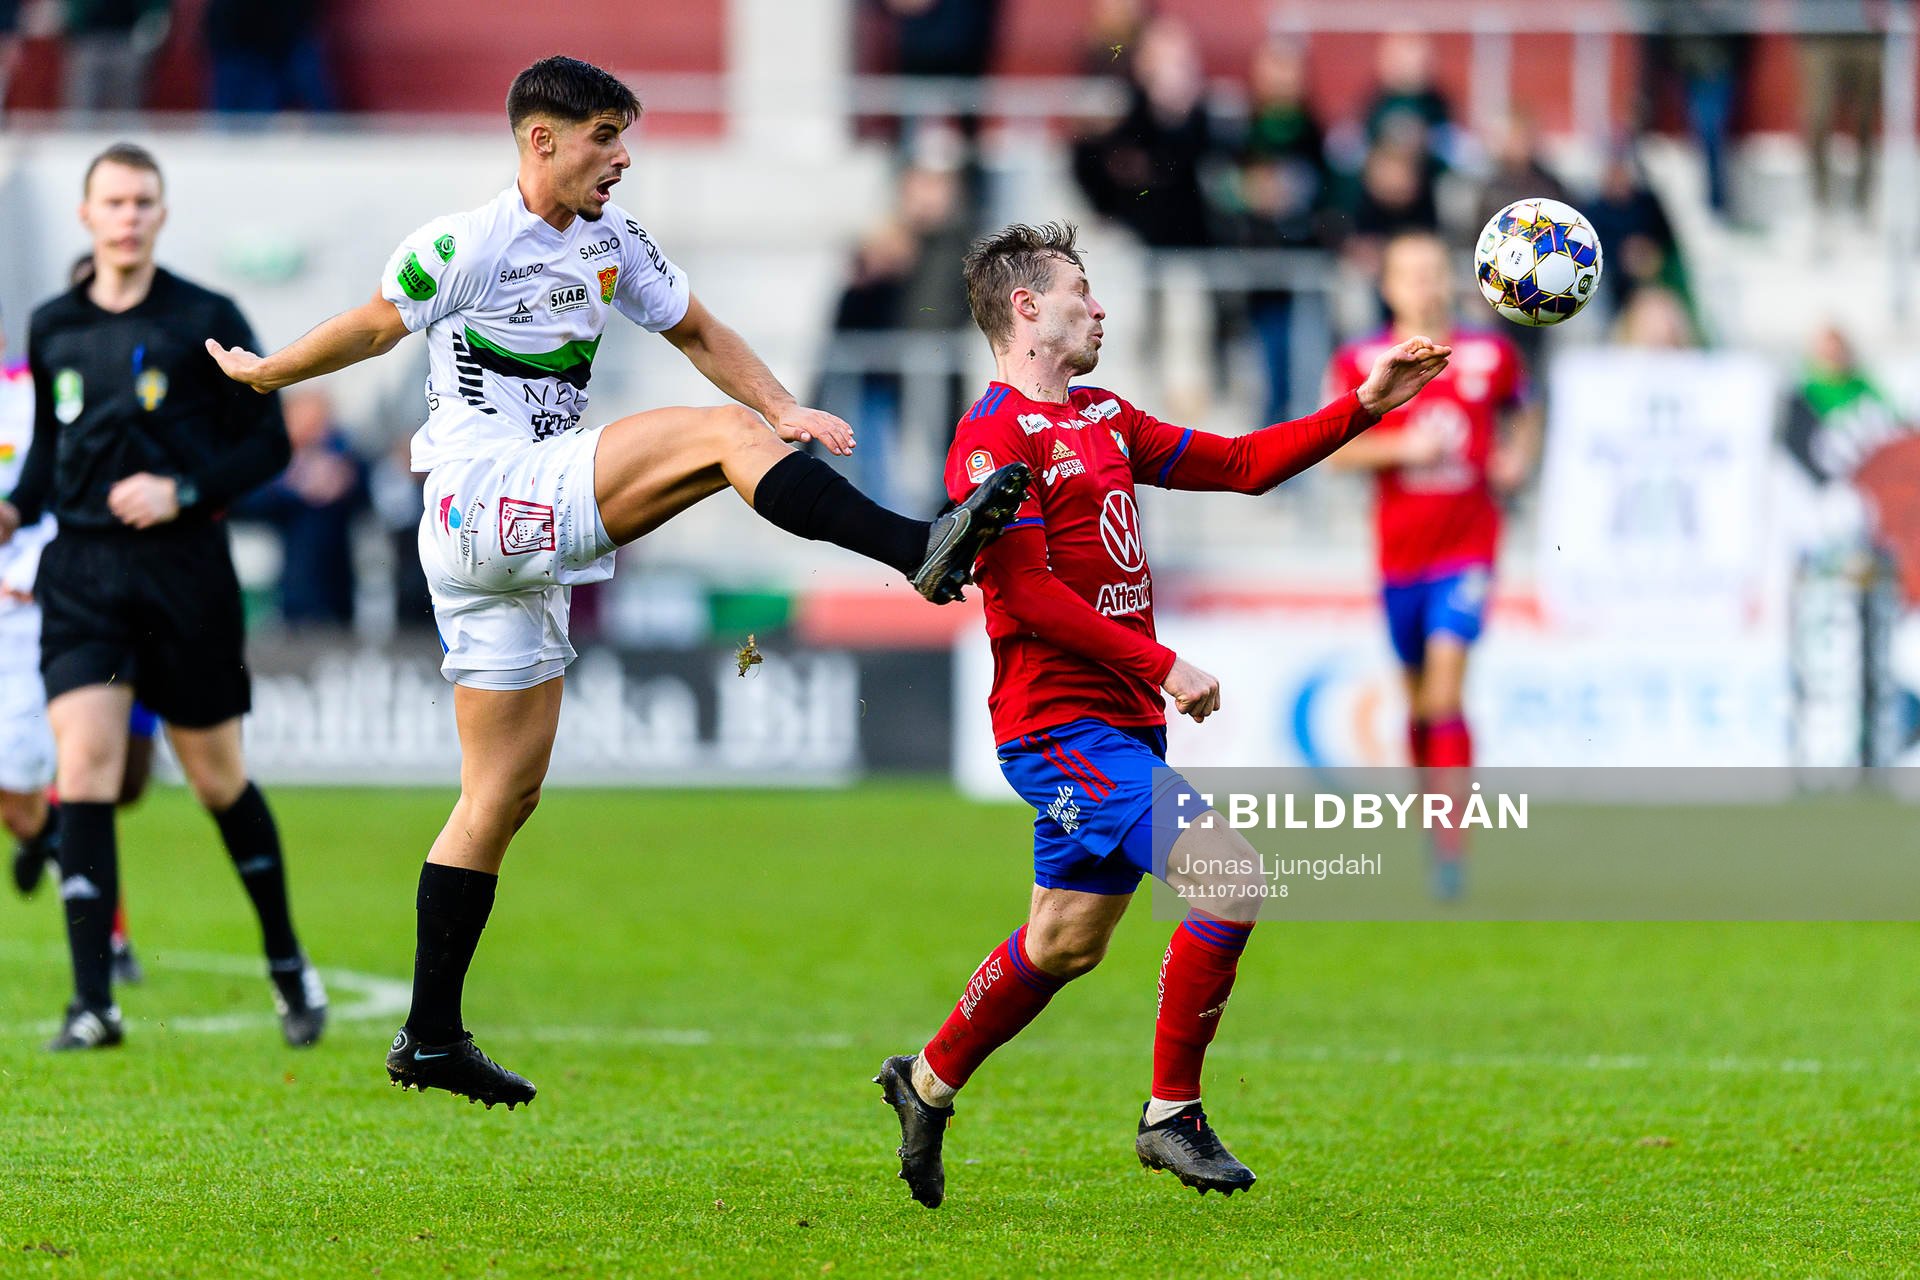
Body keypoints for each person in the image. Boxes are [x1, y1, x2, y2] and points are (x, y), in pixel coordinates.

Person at [204, 56, 1030, 1109]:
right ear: (540, 140)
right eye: (603, 135)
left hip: (497, 542)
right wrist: (268, 373)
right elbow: (374, 322)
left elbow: (695, 328)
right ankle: (920, 544)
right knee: (719, 442)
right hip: (481, 495)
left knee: (500, 794)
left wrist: (781, 404)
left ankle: (429, 1031)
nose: (623, 156)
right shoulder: (465, 244)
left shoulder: (612, 240)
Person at [874, 221, 1448, 1204]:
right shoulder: (991, 438)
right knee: (1228, 875)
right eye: (1081, 292)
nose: (1098, 308)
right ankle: (1168, 1112)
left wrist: (1361, 406)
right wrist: (1165, 661)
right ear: (1027, 308)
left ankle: (923, 1079)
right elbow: (1029, 595)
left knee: (1063, 941)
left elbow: (1241, 464)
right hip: (1057, 724)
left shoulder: (1101, 414)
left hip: (1119, 721)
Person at [0, 142, 326, 1052]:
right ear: (86, 214)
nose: (128, 214)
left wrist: (181, 490)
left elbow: (268, 445)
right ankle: (92, 1004)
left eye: (144, 200)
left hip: (185, 574)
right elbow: (41, 466)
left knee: (218, 781)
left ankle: (287, 962)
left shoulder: (205, 317)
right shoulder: (54, 324)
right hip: (85, 577)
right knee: (88, 774)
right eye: (113, 200)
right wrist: (11, 510)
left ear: (162, 213)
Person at [1324, 232, 1538, 898]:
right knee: (1419, 702)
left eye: (1432, 271)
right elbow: (1333, 451)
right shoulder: (1362, 360)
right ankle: (1434, 819)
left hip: (1469, 547)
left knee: (1447, 688)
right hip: (1399, 557)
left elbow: (1525, 414)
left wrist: (1518, 458)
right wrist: (1402, 450)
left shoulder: (1488, 352)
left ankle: (1453, 848)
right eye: (1408, 273)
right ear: (1387, 286)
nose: (1423, 284)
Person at [2, 296, 154, 988]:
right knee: (27, 799)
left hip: (35, 610)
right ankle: (43, 838)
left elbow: (68, 489)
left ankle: (110, 939)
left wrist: (37, 568)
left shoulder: (35, 394)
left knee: (79, 780)